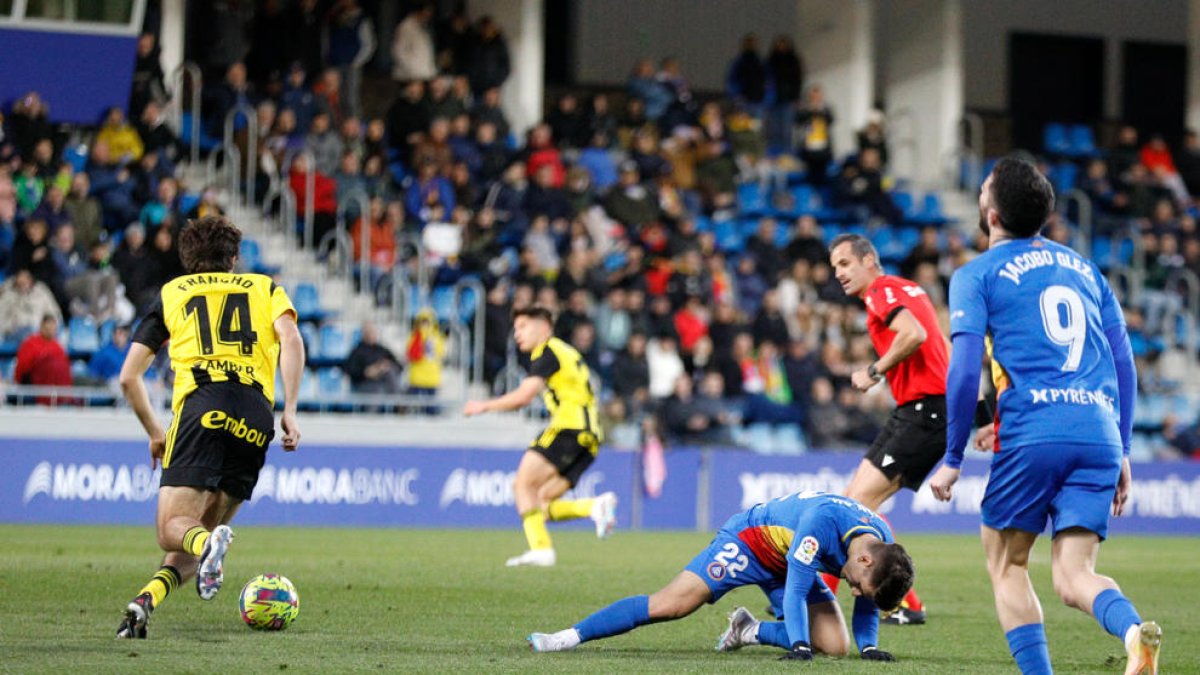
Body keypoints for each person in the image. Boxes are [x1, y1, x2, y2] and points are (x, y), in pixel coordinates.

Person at [929, 157, 1161, 675]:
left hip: (1034, 433)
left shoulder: (975, 275)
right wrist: (1123, 449)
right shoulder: (1086, 269)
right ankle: (1131, 632)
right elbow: (1123, 362)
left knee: (1007, 562)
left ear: (990, 213)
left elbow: (965, 371)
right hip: (1098, 431)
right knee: (1075, 576)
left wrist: (951, 455)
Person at [115, 215, 304, 639]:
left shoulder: (172, 293)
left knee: (172, 531)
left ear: (187, 260)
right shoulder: (264, 288)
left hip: (203, 406)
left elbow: (129, 377)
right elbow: (290, 338)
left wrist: (154, 432)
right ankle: (144, 604)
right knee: (195, 535)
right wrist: (289, 408)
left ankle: (210, 547)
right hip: (256, 416)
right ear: (234, 259)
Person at [526, 490, 914, 662]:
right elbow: (795, 592)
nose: (855, 592)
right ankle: (567, 637)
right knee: (671, 605)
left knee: (836, 646)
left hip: (790, 557)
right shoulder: (823, 524)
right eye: (859, 586)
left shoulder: (880, 542)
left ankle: (748, 630)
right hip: (750, 541)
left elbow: (867, 598)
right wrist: (798, 645)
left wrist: (869, 646)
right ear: (863, 562)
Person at [825, 232, 960, 625]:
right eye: (835, 268)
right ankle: (903, 603)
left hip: (925, 412)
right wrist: (981, 413)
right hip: (921, 411)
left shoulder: (882, 291)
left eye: (845, 264)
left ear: (869, 261)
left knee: (853, 507)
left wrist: (873, 370)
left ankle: (833, 598)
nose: (839, 274)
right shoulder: (908, 289)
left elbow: (915, 336)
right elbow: (943, 347)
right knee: (852, 502)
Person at [463, 305, 617, 567]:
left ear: (543, 327)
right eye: (515, 328)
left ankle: (541, 550)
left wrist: (484, 405)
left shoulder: (548, 351)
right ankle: (594, 507)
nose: (517, 334)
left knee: (522, 486)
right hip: (590, 439)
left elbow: (524, 397)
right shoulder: (567, 351)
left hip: (569, 429)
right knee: (542, 503)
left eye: (523, 327)